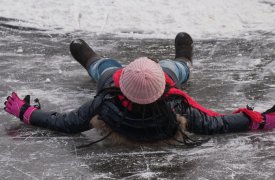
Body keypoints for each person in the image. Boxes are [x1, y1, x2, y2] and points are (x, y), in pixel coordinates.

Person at [4, 32, 275, 146]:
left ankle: (91, 59)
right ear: (164, 89)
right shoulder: (175, 106)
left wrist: (27, 112)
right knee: (175, 69)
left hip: (115, 84)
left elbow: (66, 123)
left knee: (105, 69)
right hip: (157, 84)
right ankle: (184, 60)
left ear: (123, 83)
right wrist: (262, 120)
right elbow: (219, 124)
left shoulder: (107, 100)